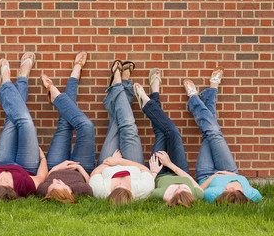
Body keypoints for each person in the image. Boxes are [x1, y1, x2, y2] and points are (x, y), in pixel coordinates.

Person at [0, 53, 48, 201]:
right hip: (28, 165)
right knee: (25, 122)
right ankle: (10, 81)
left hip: (1, 160)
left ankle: (19, 77)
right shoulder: (24, 186)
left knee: (12, 120)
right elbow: (40, 177)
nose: (3, 179)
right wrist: (43, 158)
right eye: (7, 183)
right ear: (14, 190)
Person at [183, 67, 262, 204]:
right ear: (241, 194)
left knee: (211, 133)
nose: (226, 187)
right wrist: (230, 175)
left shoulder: (214, 195)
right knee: (213, 133)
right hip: (229, 168)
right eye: (231, 188)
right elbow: (250, 186)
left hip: (206, 173)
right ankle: (196, 98)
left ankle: (205, 94)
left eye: (225, 191)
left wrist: (212, 178)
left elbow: (198, 192)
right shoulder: (252, 195)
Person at [133, 69, 204, 207]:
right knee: (172, 132)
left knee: (161, 132)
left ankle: (153, 95)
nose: (179, 187)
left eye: (176, 191)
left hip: (158, 172)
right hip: (178, 167)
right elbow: (190, 179)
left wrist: (153, 172)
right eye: (183, 189)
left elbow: (146, 189)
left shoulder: (161, 196)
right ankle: (148, 102)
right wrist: (170, 164)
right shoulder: (197, 195)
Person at [89, 60, 155, 205]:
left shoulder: (101, 192)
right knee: (128, 127)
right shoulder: (142, 191)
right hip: (133, 163)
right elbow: (145, 170)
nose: (120, 183)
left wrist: (110, 163)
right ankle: (119, 83)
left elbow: (94, 174)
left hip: (106, 163)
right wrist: (119, 161)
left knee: (116, 123)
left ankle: (119, 83)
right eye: (124, 187)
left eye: (116, 187)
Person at [36, 52, 95, 204]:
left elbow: (43, 177)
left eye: (52, 185)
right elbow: (91, 182)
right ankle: (59, 93)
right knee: (87, 127)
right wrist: (79, 169)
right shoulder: (82, 191)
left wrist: (58, 167)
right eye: (58, 184)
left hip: (56, 163)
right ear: (69, 192)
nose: (55, 181)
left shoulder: (44, 192)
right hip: (82, 165)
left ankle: (74, 73)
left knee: (65, 124)